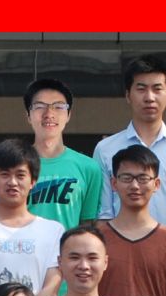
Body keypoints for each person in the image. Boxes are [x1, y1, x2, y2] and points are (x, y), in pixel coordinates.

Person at [93, 56, 166, 228]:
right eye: (141, 89)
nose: (149, 97)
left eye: (157, 89)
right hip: (121, 242)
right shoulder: (105, 149)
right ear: (128, 95)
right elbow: (104, 214)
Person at [96, 145, 166, 296]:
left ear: (156, 184)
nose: (134, 185)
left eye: (143, 178)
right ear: (114, 183)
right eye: (126, 178)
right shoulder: (96, 239)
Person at [0, 139, 64, 296]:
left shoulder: (54, 231)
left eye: (20, 175)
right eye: (4, 174)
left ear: (33, 181)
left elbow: (52, 285)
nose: (12, 182)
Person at [22, 78, 105, 230]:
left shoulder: (88, 168)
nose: (49, 114)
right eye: (40, 106)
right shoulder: (14, 165)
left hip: (68, 246)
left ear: (68, 115)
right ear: (28, 115)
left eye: (58, 106)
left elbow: (87, 224)